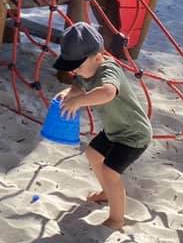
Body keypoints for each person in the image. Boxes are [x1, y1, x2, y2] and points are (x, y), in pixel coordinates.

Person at [56, 22, 152, 230]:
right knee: (92, 154)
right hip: (114, 130)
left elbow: (108, 92)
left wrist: (79, 101)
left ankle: (117, 219)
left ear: (98, 57)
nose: (76, 71)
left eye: (78, 66)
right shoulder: (86, 72)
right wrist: (68, 95)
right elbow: (78, 85)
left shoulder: (108, 69)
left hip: (133, 134)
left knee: (110, 171)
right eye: (73, 67)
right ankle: (107, 193)